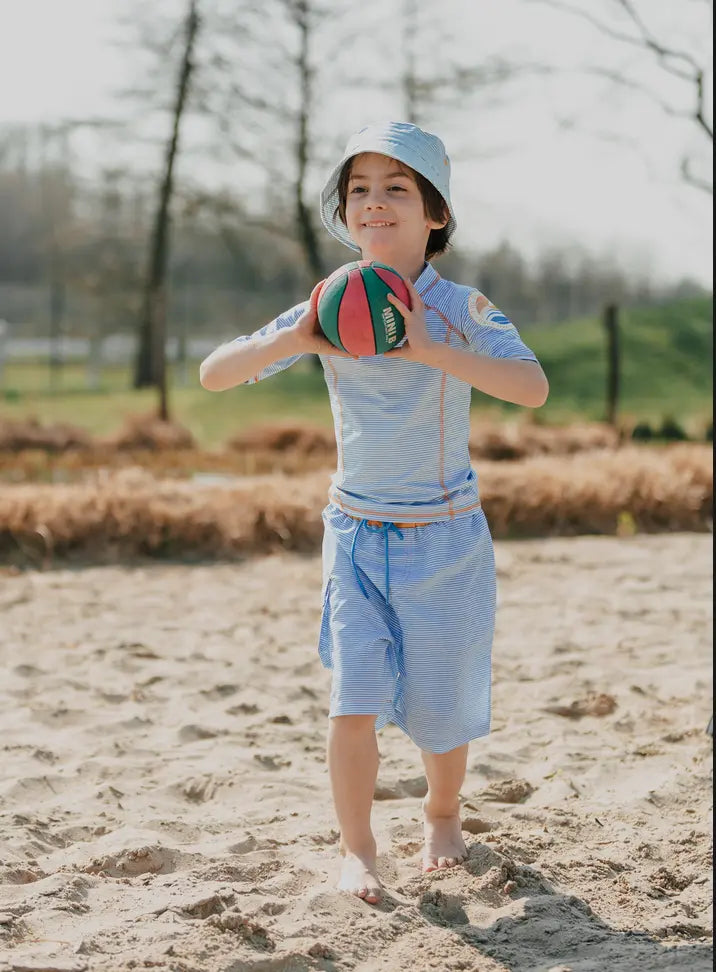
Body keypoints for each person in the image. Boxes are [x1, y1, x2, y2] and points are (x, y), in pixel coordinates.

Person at [200, 121, 549, 905]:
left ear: (435, 215)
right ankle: (357, 850)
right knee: (353, 700)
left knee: (441, 706)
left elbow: (531, 387)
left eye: (397, 188)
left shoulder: (460, 306)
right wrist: (294, 336)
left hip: (446, 535)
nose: (375, 203)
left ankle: (443, 811)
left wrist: (430, 349)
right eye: (359, 189)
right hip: (356, 534)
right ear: (343, 211)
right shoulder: (325, 305)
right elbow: (214, 374)